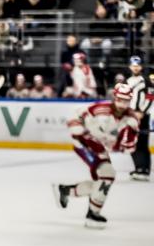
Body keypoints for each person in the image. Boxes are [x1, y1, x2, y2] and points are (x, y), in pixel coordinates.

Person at [53, 83, 138, 228]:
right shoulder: (99, 109)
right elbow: (74, 118)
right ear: (114, 98)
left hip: (101, 148)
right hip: (84, 145)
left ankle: (67, 190)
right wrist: (83, 136)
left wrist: (126, 142)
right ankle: (93, 214)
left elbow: (129, 146)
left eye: (126, 101)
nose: (122, 104)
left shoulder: (131, 118)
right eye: (120, 99)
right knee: (107, 175)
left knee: (103, 180)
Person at [126, 55, 151, 181]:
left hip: (142, 116)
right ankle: (137, 167)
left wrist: (142, 112)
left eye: (138, 66)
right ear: (130, 66)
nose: (135, 68)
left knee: (142, 142)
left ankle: (144, 169)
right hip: (131, 116)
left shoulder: (146, 80)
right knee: (132, 143)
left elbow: (150, 98)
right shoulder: (128, 81)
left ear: (141, 66)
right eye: (133, 66)